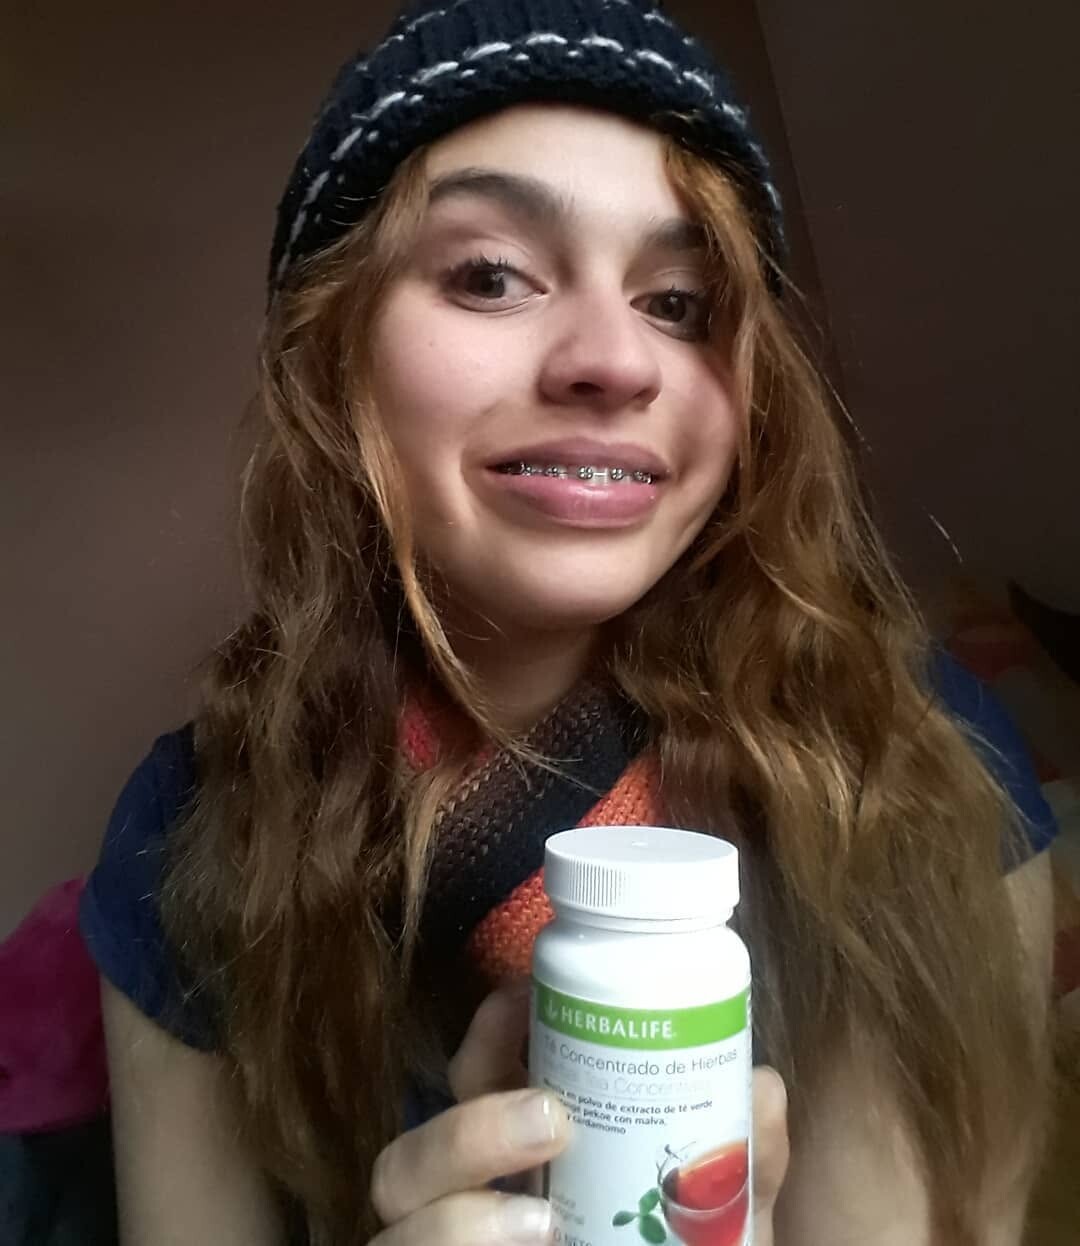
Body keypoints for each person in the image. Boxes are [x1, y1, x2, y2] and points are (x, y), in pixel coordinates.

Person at [78, 1, 1059, 1243]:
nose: (616, 360)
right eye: (490, 275)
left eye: (681, 302)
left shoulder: (906, 753)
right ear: (332, 361)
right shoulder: (188, 834)